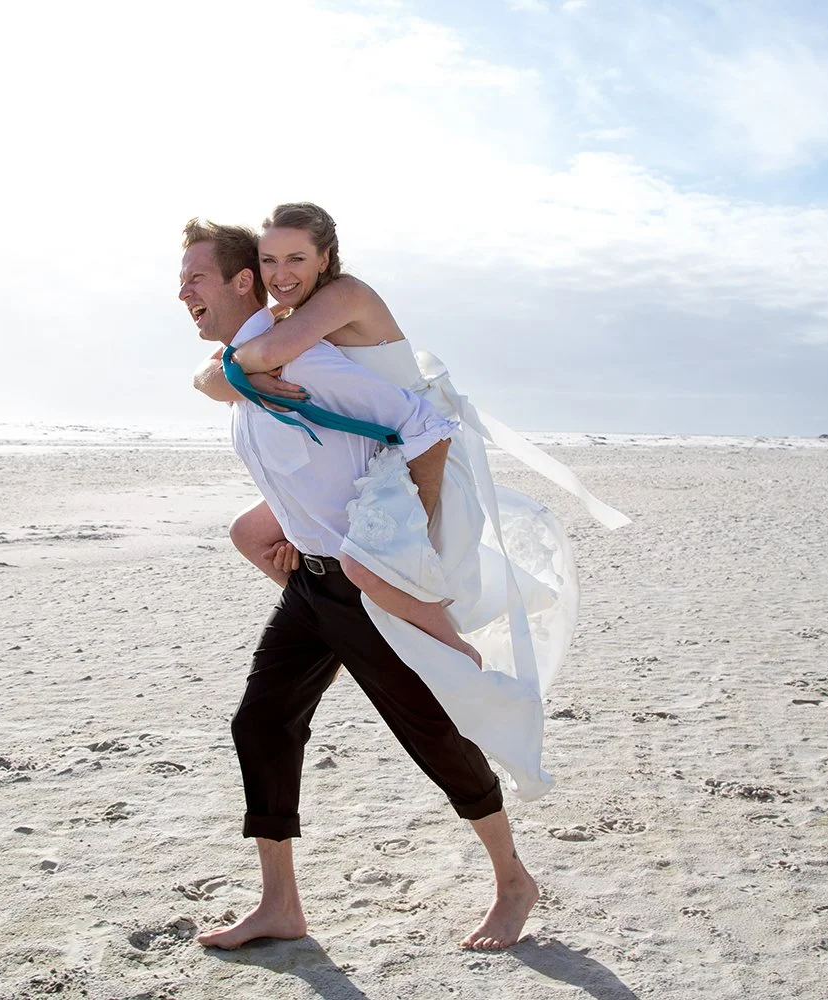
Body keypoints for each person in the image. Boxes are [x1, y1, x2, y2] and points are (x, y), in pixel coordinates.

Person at [178, 217, 539, 951]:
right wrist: (281, 533)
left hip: (360, 586)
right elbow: (299, 461)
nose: (182, 292)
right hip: (311, 586)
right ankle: (280, 904)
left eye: (195, 279)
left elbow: (422, 422)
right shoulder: (246, 366)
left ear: (241, 281)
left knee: (432, 736)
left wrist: (415, 528)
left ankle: (513, 882)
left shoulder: (304, 358)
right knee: (263, 723)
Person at [193, 203, 630, 803]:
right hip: (377, 460)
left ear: (326, 257)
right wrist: (228, 373)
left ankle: (460, 665)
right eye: (269, 260)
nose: (280, 272)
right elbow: (220, 367)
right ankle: (348, 616)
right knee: (251, 533)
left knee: (367, 571)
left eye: (296, 258)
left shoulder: (343, 296)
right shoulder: (291, 311)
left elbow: (252, 359)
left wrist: (237, 372)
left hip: (420, 461)